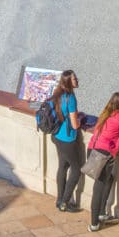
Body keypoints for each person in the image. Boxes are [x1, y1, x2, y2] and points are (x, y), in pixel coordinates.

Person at [87, 92, 119, 232]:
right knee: (98, 187)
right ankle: (94, 223)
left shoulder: (105, 112)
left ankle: (100, 213)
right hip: (105, 153)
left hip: (93, 148)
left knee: (108, 179)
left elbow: (97, 130)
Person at [49, 71, 85, 213]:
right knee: (76, 170)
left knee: (63, 167)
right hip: (68, 139)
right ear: (69, 82)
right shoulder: (70, 98)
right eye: (75, 78)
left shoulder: (57, 95)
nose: (77, 80)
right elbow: (75, 125)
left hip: (56, 136)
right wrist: (80, 119)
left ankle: (59, 200)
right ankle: (64, 202)